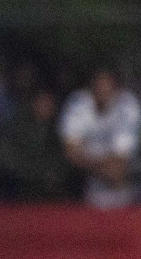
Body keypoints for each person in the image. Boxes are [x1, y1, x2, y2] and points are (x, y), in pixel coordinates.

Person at [60, 64, 141, 208]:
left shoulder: (128, 105)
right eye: (98, 85)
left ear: (116, 88)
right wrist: (100, 167)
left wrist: (88, 158)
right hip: (85, 178)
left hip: (125, 182)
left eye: (107, 85)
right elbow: (70, 152)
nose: (102, 90)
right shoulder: (79, 103)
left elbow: (120, 163)